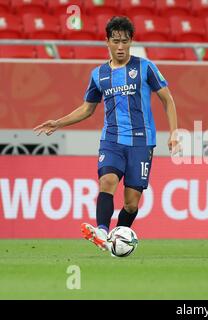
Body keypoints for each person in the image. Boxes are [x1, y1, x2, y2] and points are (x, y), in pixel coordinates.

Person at [33, 16, 178, 252]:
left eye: (124, 41)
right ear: (107, 42)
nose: (120, 47)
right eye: (115, 41)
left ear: (131, 41)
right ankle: (101, 231)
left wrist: (174, 132)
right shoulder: (98, 75)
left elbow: (167, 100)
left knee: (131, 203)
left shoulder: (145, 68)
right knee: (107, 181)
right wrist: (59, 123)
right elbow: (87, 109)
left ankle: (114, 242)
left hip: (142, 142)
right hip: (111, 139)